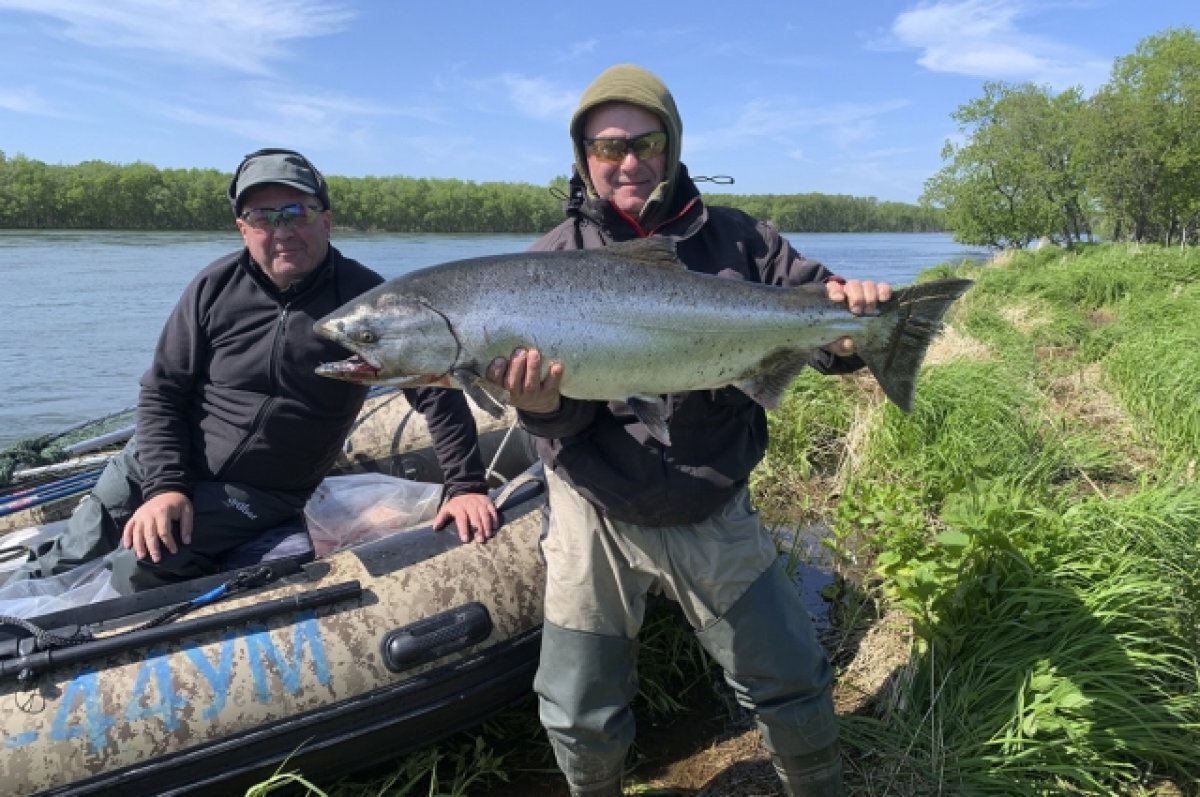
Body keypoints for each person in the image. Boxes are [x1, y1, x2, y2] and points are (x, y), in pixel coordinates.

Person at [485, 65, 891, 797]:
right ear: (583, 156)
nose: (628, 162)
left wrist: (855, 324)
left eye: (646, 142)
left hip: (711, 494)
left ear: (672, 145)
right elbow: (563, 420)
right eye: (607, 147)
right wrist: (539, 405)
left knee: (790, 678)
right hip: (594, 503)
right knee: (576, 708)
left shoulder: (743, 241)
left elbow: (826, 328)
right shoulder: (545, 265)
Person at [5, 148, 497, 594]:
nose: (282, 230)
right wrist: (166, 487)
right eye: (263, 216)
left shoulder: (366, 303)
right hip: (157, 457)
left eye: (296, 212)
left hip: (258, 491)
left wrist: (465, 487)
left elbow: (436, 391)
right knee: (69, 553)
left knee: (139, 565)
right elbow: (162, 391)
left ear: (326, 220)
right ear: (243, 228)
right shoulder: (214, 286)